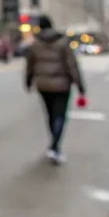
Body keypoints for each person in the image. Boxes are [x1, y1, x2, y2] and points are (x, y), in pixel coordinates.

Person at [25, 15, 85, 165]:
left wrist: (28, 81)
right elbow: (72, 65)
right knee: (60, 116)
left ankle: (54, 145)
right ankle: (55, 146)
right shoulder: (63, 42)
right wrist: (80, 85)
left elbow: (29, 65)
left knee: (50, 114)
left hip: (43, 85)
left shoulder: (35, 44)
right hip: (62, 85)